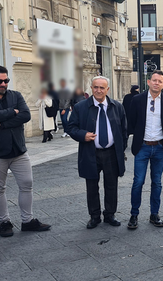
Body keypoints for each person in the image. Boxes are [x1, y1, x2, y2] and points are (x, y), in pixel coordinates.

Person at [0, 65, 51, 237]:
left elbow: (25, 115)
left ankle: (27, 221)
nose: (3, 84)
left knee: (27, 184)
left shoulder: (16, 95)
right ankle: (4, 222)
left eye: (6, 80)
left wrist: (2, 121)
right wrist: (11, 112)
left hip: (19, 150)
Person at [66, 76, 128, 229]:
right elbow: (70, 128)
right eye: (95, 87)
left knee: (111, 185)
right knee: (92, 186)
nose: (98, 90)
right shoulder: (81, 107)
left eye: (102, 87)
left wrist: (120, 148)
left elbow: (124, 130)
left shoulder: (117, 106)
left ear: (108, 89)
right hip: (90, 152)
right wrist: (83, 135)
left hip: (111, 152)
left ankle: (110, 214)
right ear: (91, 88)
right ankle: (94, 216)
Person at [127, 71, 163, 229]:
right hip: (142, 146)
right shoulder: (138, 100)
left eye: (160, 81)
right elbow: (132, 121)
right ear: (148, 82)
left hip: (159, 147)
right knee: (138, 182)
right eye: (154, 80)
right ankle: (134, 214)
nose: (156, 83)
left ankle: (154, 214)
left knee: (157, 183)